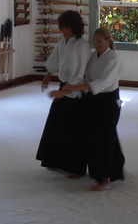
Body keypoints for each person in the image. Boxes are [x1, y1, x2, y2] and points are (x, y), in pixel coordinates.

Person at [51, 27, 125, 191]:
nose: (97, 43)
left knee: (104, 138)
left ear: (108, 40)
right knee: (93, 136)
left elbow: (103, 82)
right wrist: (67, 90)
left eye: (100, 40)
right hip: (93, 100)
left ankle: (105, 179)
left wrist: (76, 88)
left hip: (108, 102)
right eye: (95, 40)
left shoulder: (113, 59)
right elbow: (85, 76)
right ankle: (110, 167)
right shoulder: (93, 56)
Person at [35, 10, 91, 177]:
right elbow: (55, 58)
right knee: (56, 122)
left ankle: (76, 167)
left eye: (67, 28)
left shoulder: (82, 46)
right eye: (62, 28)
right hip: (64, 85)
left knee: (73, 129)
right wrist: (47, 74)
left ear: (75, 28)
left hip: (77, 89)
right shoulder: (62, 40)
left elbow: (80, 73)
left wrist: (66, 92)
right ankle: (53, 160)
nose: (64, 31)